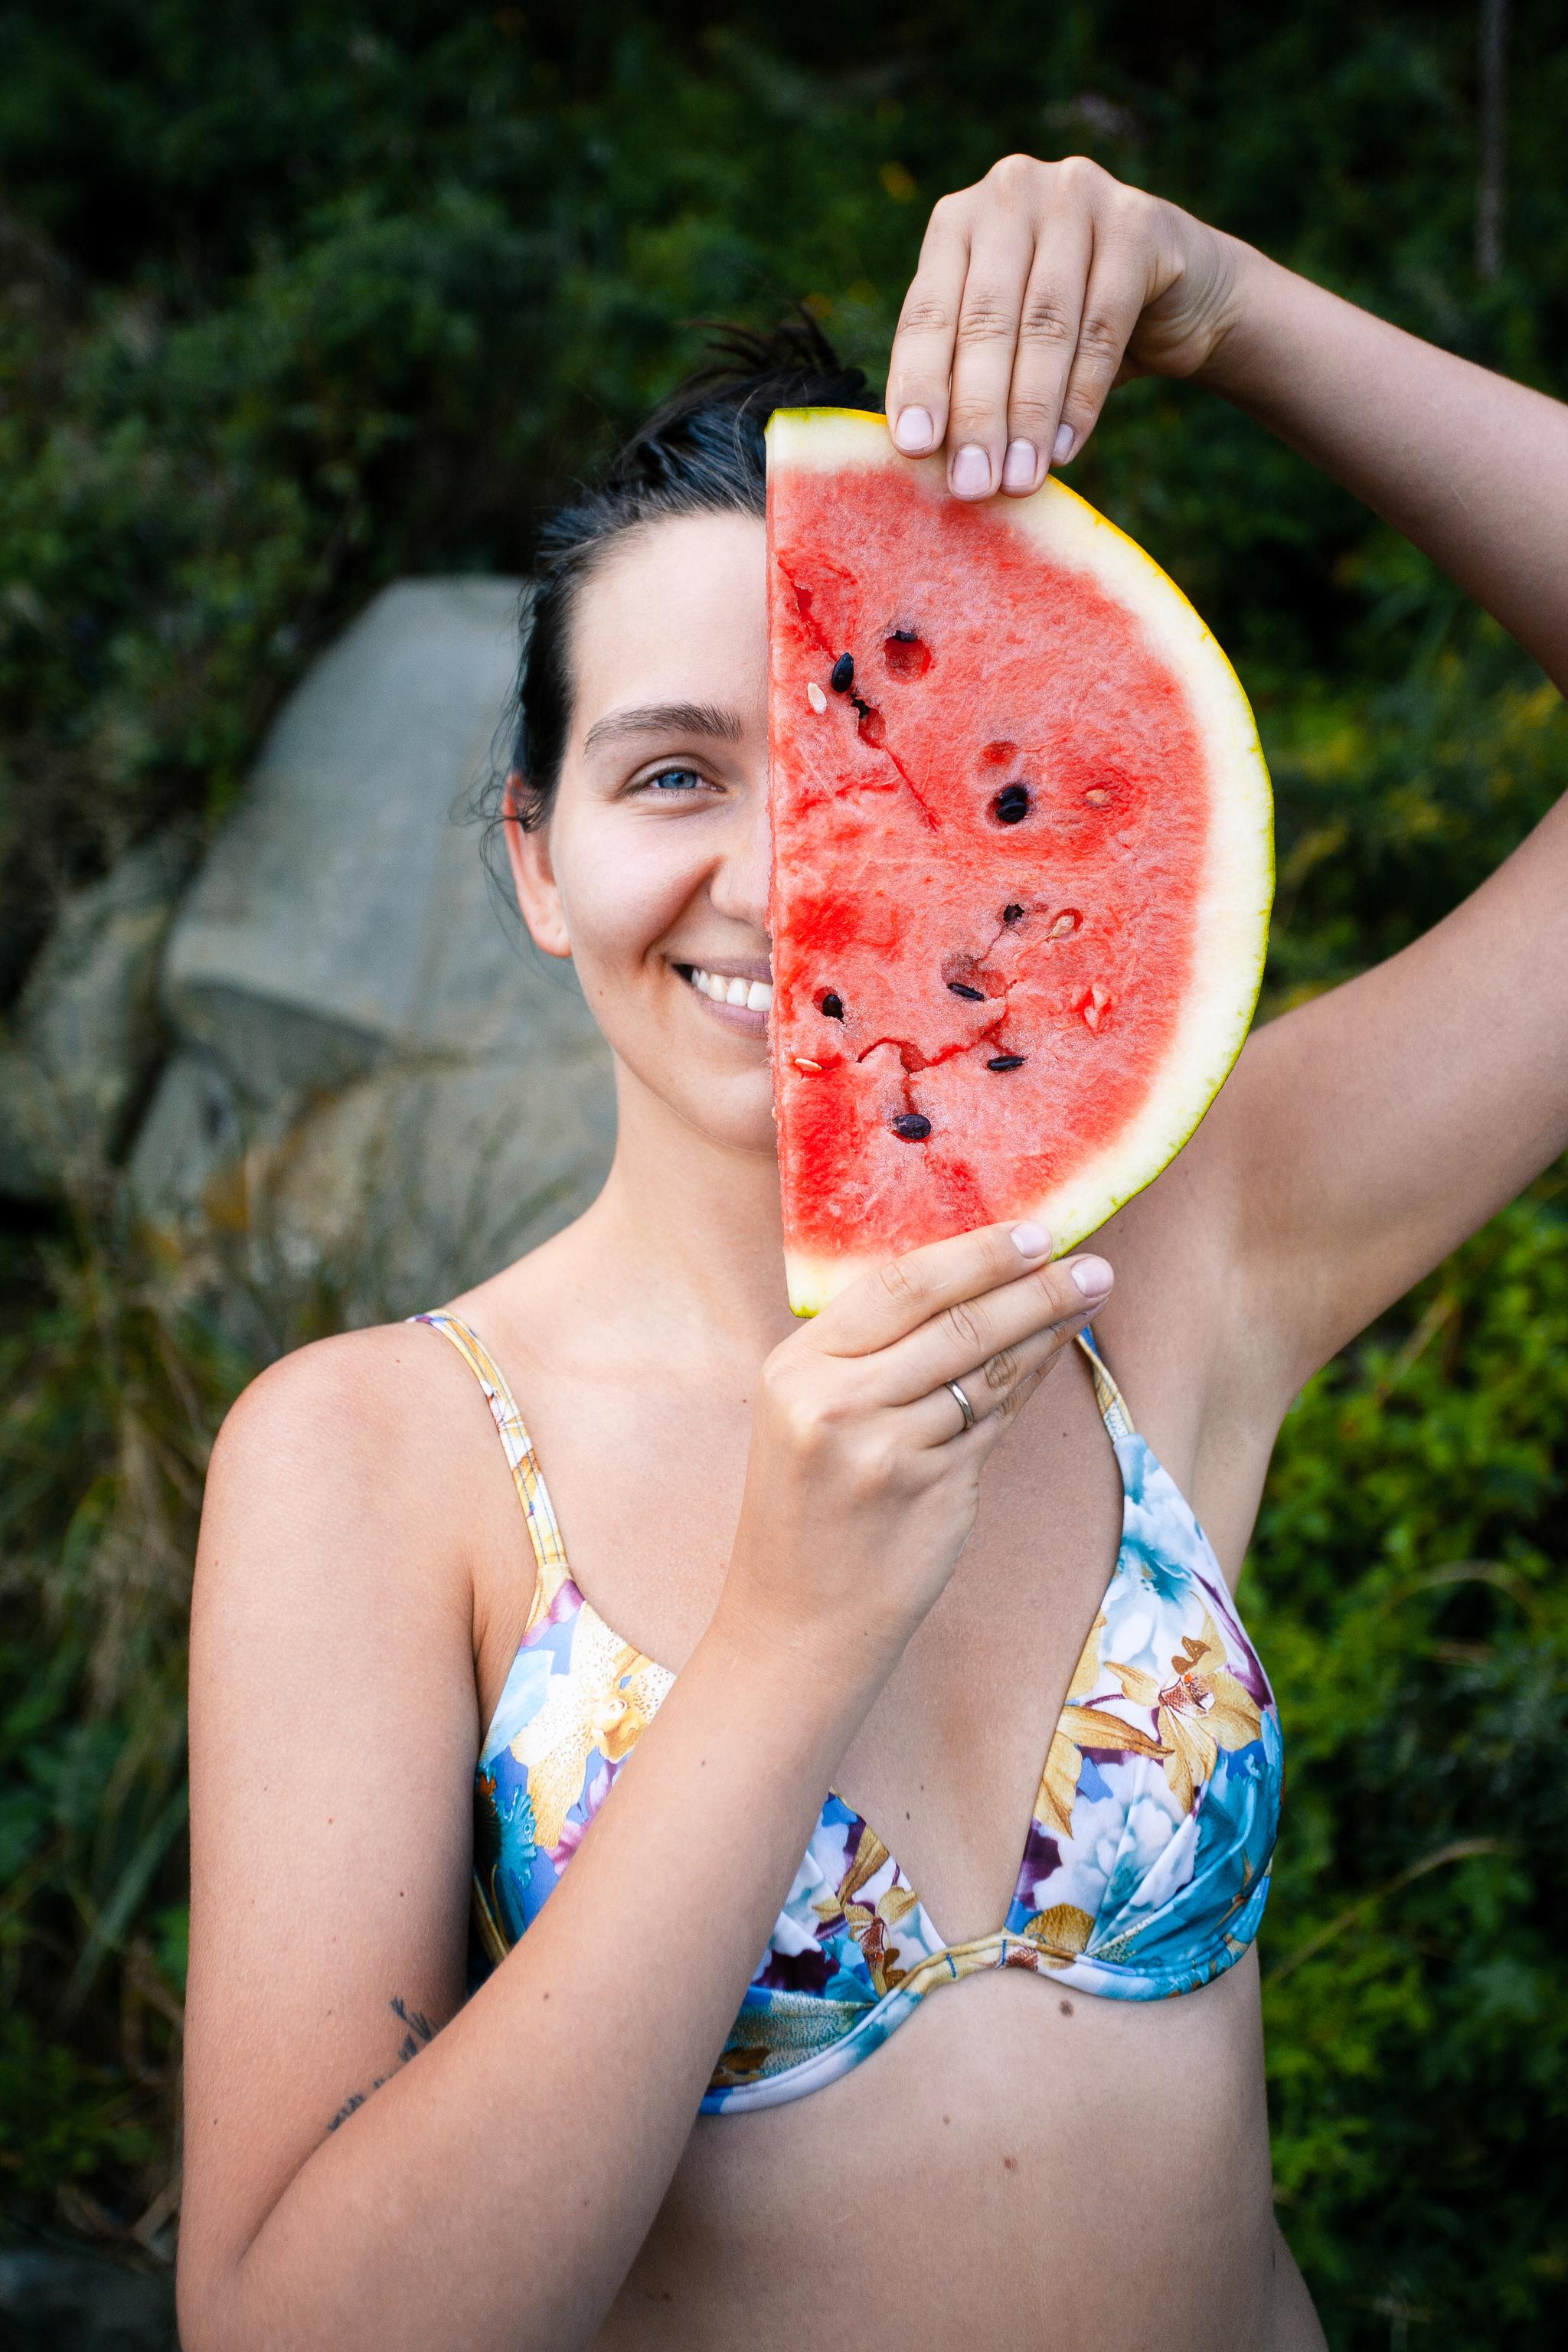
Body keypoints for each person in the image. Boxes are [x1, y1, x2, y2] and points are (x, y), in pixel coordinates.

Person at [178, 155, 1568, 2352]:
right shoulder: (377, 1455)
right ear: (535, 861)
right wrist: (786, 1641)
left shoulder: (1181, 1267)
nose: (793, 869)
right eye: (667, 777)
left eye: (888, 757)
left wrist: (1240, 310)